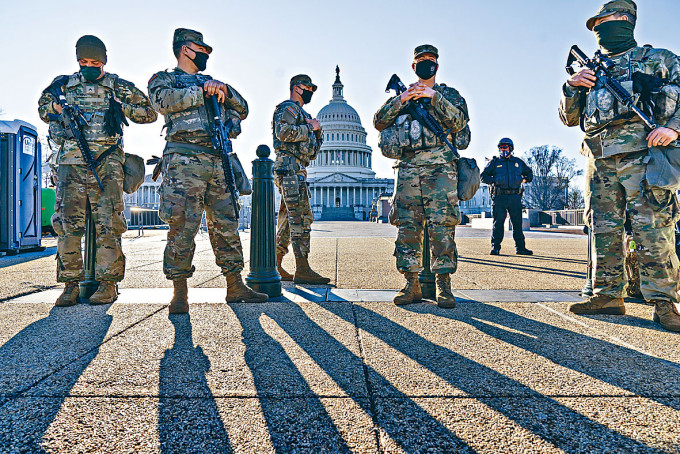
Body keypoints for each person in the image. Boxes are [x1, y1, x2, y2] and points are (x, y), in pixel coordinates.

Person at [559, 0, 680, 331]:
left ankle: (663, 302)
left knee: (653, 228)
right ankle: (608, 296)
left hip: (645, 154)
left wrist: (673, 127)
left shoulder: (660, 60)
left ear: (626, 20)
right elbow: (570, 119)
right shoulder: (589, 69)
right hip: (599, 159)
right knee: (603, 230)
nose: (599, 28)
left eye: (606, 20)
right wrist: (571, 87)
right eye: (597, 23)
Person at [148, 28, 267, 314]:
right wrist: (200, 91)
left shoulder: (214, 83)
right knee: (182, 226)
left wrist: (224, 92)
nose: (206, 55)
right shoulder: (165, 79)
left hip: (218, 159)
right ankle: (179, 291)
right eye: (202, 49)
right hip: (184, 160)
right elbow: (161, 102)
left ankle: (235, 284)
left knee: (226, 224)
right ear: (186, 48)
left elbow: (243, 108)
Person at [38, 35, 157, 307]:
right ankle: (70, 285)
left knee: (109, 224)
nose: (89, 66)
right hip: (71, 162)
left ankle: (108, 283)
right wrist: (56, 108)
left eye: (94, 62)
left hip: (107, 162)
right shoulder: (63, 85)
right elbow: (43, 108)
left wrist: (121, 105)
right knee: (67, 225)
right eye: (83, 61)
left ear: (104, 61)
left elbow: (149, 113)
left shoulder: (116, 85)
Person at [374, 44, 469, 308]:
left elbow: (460, 122)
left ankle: (444, 286)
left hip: (441, 169)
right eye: (421, 60)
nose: (426, 63)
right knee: (407, 227)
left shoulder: (449, 95)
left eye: (430, 60)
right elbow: (379, 121)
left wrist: (433, 97)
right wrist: (402, 99)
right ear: (413, 66)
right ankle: (410, 283)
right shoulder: (403, 96)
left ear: (437, 65)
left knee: (442, 227)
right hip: (408, 169)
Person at [272, 74, 330, 284]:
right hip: (288, 167)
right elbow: (283, 133)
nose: (311, 92)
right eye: (308, 88)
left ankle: (275, 264)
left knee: (288, 220)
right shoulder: (288, 109)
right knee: (300, 217)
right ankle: (302, 268)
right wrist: (310, 128)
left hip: (297, 168)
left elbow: (312, 152)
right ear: (297, 88)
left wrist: (318, 132)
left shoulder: (304, 114)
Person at [480, 138, 534, 256]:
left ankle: (520, 248)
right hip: (500, 197)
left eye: (506, 147)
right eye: (501, 148)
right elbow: (483, 176)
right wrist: (495, 180)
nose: (504, 150)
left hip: (515, 197)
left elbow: (530, 174)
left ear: (511, 148)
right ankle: (495, 248)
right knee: (498, 223)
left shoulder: (518, 162)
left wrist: (524, 179)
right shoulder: (494, 163)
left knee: (517, 223)